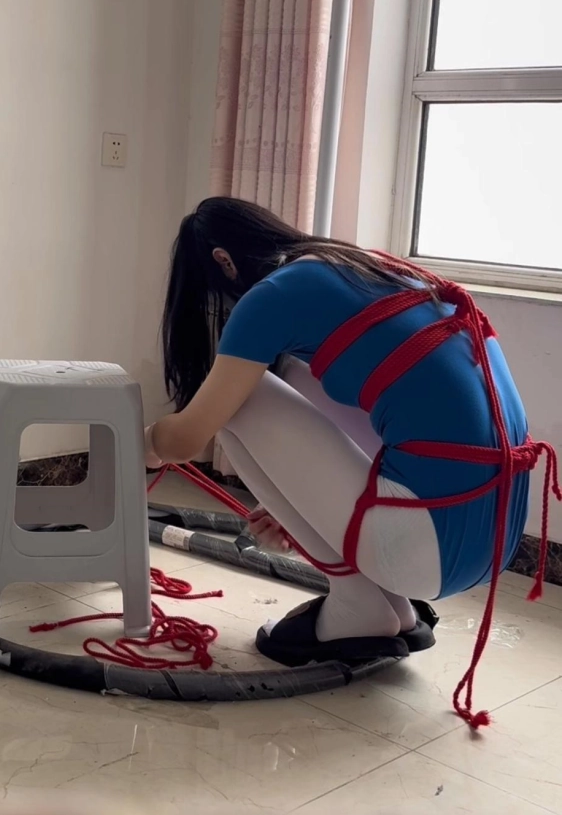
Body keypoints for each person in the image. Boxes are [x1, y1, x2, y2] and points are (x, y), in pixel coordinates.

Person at [145, 197, 559, 728]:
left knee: (241, 397)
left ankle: (357, 600)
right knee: (290, 380)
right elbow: (363, 425)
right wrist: (300, 503)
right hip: (493, 539)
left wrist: (139, 442)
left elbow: (186, 439)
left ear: (224, 262)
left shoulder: (273, 296)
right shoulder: (371, 270)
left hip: (422, 546)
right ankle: (391, 604)